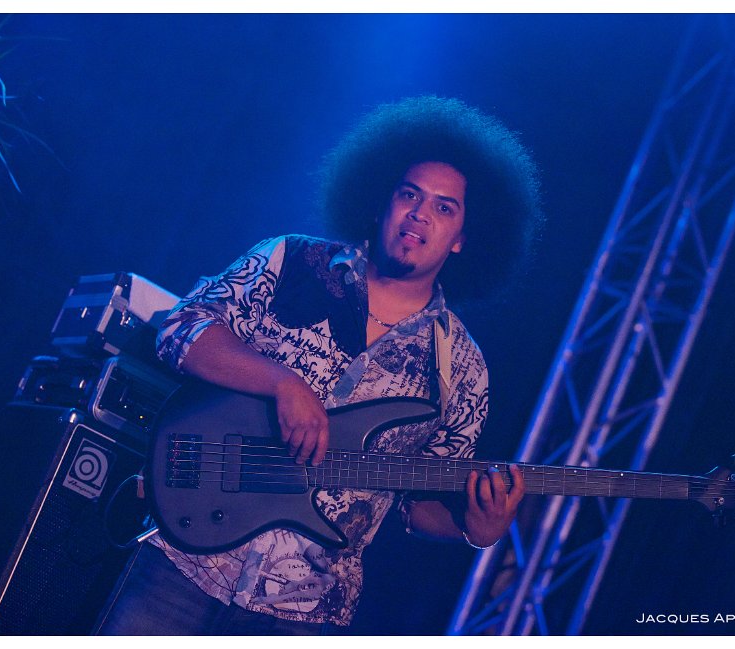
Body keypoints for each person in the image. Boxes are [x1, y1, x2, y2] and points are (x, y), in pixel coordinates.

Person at [93, 95, 545, 635]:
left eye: (445, 208)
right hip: (181, 558)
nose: (420, 214)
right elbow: (181, 330)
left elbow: (416, 503)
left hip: (304, 612)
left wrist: (475, 528)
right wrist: (283, 383)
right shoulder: (290, 261)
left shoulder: (463, 369)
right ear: (381, 201)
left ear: (463, 239)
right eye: (409, 194)